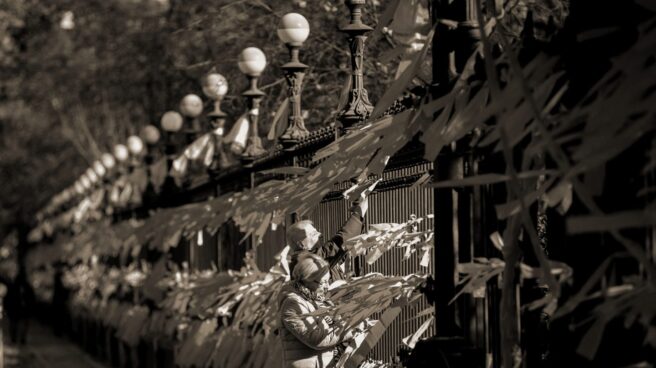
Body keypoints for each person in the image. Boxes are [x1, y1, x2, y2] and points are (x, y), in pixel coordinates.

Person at [278, 253, 355, 368]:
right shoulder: (293, 304)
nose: (326, 287)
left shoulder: (317, 299)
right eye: (322, 282)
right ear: (307, 279)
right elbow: (316, 339)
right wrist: (349, 329)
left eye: (327, 281)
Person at [287, 193, 369, 281]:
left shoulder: (306, 259)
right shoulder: (307, 261)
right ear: (301, 244)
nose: (320, 234)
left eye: (317, 231)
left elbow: (337, 254)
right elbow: (338, 245)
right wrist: (358, 214)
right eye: (314, 234)